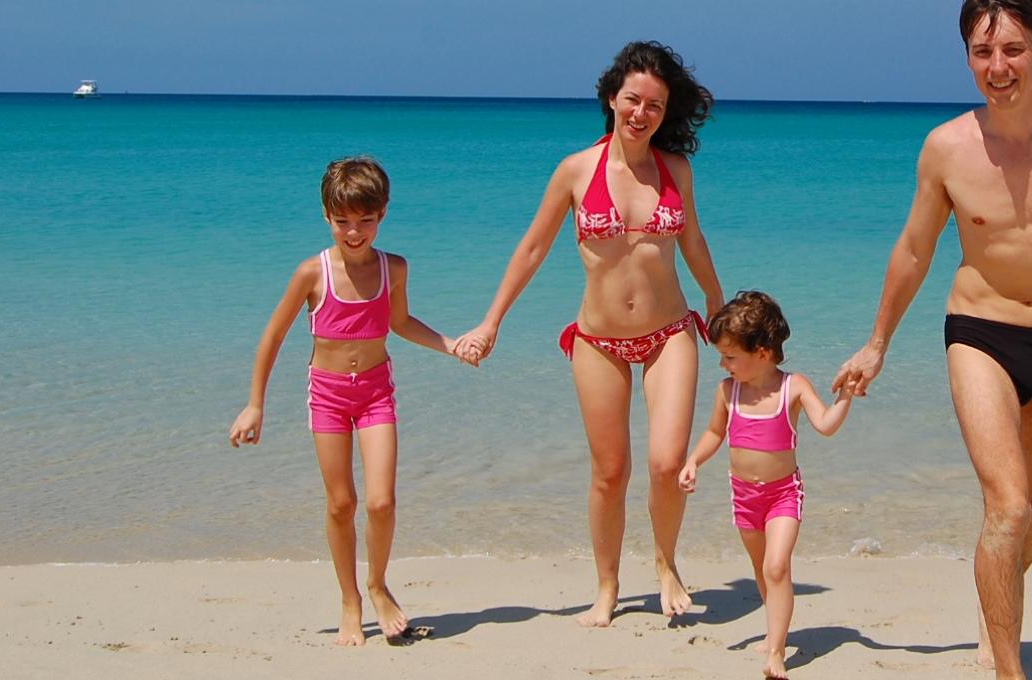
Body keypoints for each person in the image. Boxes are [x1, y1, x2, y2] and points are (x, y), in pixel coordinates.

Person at [830, 2, 1032, 677]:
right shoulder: (946, 147)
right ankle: (1008, 668)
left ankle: (993, 598)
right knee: (1006, 505)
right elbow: (916, 250)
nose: (998, 67)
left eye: (1012, 49)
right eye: (983, 53)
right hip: (977, 331)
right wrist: (876, 342)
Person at [454, 41, 726, 627]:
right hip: (598, 340)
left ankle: (665, 562)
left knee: (665, 462)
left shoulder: (676, 170)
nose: (641, 113)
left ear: (665, 110)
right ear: (612, 98)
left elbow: (694, 243)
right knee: (609, 472)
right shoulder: (576, 171)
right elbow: (532, 248)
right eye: (633, 99)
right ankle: (606, 586)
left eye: (654, 105)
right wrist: (491, 320)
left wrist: (718, 306)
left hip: (669, 333)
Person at [227, 156, 460, 645]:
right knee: (341, 503)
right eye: (343, 222)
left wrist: (449, 344)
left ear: (383, 215)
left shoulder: (393, 267)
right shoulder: (313, 273)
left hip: (377, 392)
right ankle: (349, 598)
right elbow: (271, 338)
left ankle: (377, 584)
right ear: (326, 217)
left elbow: (400, 323)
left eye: (365, 221)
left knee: (380, 501)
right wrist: (255, 404)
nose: (354, 233)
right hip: (328, 397)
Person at [678, 291, 854, 679]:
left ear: (761, 352)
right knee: (761, 570)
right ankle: (775, 629)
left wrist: (845, 397)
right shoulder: (728, 390)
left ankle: (775, 652)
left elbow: (825, 425)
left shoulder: (793, 387)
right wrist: (693, 460)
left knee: (777, 567)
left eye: (730, 356)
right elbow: (713, 432)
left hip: (782, 494)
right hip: (743, 496)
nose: (724, 364)